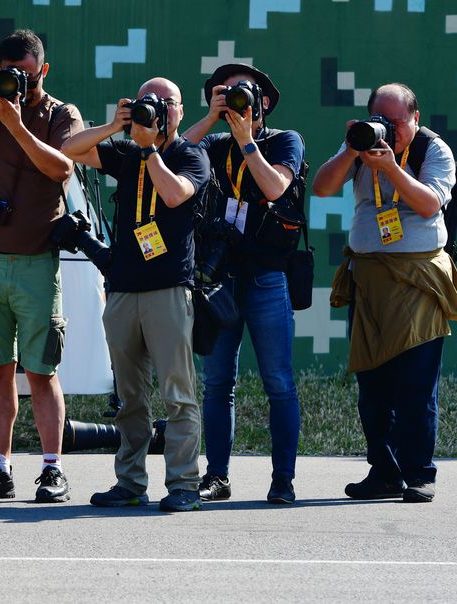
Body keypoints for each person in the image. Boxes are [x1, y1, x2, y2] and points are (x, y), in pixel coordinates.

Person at [0, 29, 84, 503]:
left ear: (43, 70)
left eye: (26, 75)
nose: (19, 83)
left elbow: (62, 168)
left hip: (36, 262)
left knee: (41, 372)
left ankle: (52, 469)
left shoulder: (61, 114)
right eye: (9, 74)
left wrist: (17, 122)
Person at [62, 77, 210, 512]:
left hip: (169, 289)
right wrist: (114, 126)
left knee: (178, 394)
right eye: (149, 102)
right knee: (129, 398)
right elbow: (70, 149)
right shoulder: (126, 151)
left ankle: (184, 484)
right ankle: (130, 482)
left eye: (166, 103)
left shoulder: (190, 155)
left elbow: (175, 193)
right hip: (124, 289)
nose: (158, 109)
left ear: (180, 112)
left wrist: (149, 150)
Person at [312, 83, 457, 503]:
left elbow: (429, 204)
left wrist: (391, 168)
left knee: (416, 385)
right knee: (373, 388)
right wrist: (350, 149)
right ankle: (384, 472)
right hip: (369, 279)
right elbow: (322, 188)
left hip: (418, 280)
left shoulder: (433, 150)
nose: (389, 130)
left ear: (415, 118)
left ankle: (419, 473)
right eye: (381, 120)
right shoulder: (362, 146)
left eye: (397, 122)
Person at [183, 63, 303, 504]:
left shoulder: (284, 141)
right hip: (220, 279)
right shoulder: (214, 144)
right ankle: (217, 476)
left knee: (278, 382)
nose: (234, 101)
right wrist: (212, 118)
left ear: (263, 102)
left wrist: (246, 140)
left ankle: (283, 480)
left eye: (242, 94)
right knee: (218, 383)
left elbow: (274, 189)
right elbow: (177, 152)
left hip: (267, 276)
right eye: (224, 93)